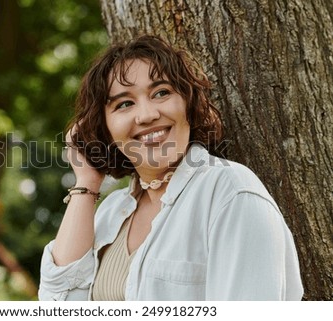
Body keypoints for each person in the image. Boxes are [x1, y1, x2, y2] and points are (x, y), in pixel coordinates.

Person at [38, 35, 304, 300]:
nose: (147, 115)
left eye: (161, 93)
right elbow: (57, 304)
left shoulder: (230, 193)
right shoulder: (110, 212)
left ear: (188, 103)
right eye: (124, 103)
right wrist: (86, 182)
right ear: (105, 128)